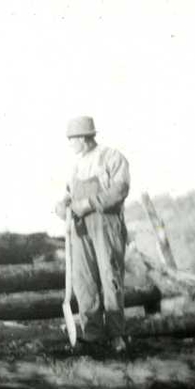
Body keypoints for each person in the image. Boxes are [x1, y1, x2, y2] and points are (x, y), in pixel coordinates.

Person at [54, 116, 131, 352]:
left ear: (84, 138)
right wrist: (62, 205)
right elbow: (69, 195)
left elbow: (119, 190)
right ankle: (92, 334)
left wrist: (88, 203)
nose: (71, 144)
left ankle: (117, 335)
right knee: (84, 280)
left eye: (73, 139)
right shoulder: (76, 166)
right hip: (80, 229)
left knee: (110, 278)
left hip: (105, 224)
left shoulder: (111, 157)